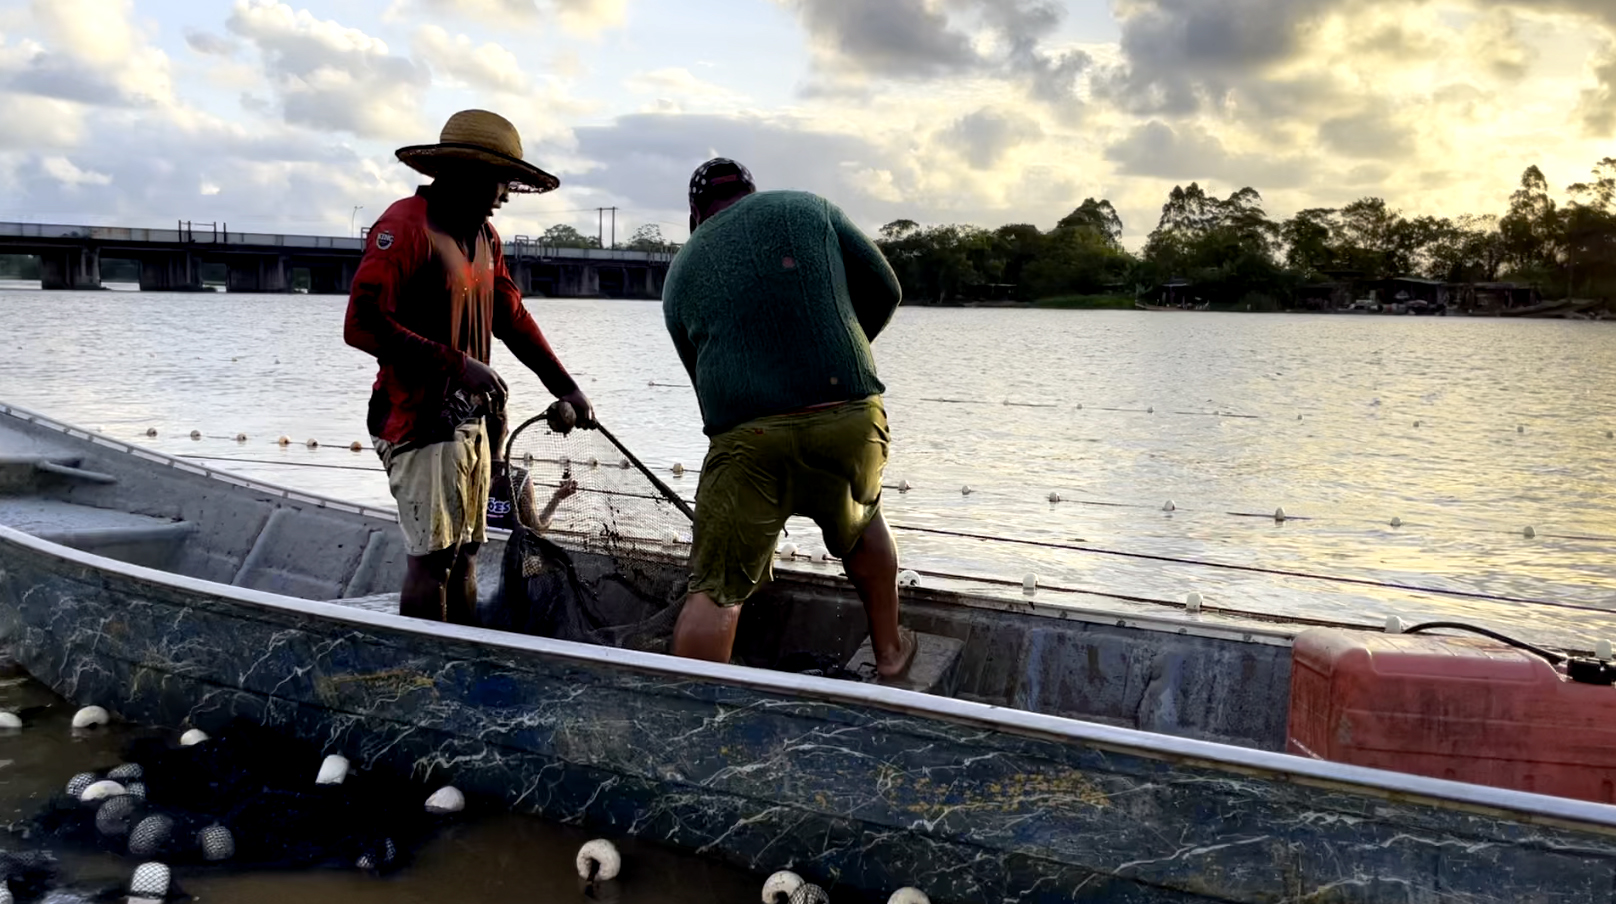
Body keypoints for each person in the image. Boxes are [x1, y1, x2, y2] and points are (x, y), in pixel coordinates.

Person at [661, 158, 915, 681]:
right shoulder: (809, 207)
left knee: (718, 587)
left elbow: (703, 383)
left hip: (749, 437)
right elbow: (886, 289)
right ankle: (890, 654)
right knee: (865, 520)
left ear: (695, 213)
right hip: (849, 416)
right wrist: (836, 348)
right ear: (754, 192)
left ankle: (688, 710)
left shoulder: (680, 270)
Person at [345, 109, 592, 625]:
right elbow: (362, 324)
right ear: (466, 175)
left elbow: (513, 318)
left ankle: (465, 660)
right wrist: (456, 364)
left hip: (470, 423)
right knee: (432, 561)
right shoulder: (405, 228)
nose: (505, 195)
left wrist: (567, 387)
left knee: (467, 554)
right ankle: (425, 670)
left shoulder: (485, 238)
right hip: (417, 420)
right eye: (502, 182)